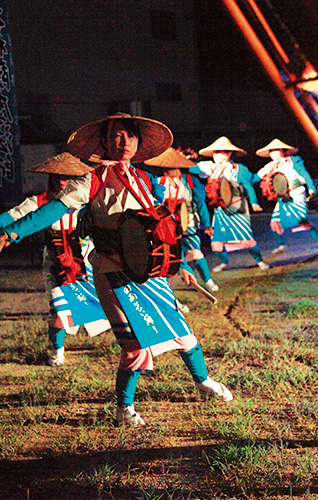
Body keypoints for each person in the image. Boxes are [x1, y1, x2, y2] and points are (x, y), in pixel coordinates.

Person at [0, 114, 233, 426]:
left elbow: (158, 231)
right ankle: (124, 409)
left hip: (147, 272)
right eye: (117, 137)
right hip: (114, 275)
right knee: (134, 346)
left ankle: (203, 382)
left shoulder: (143, 179)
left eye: (130, 137)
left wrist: (181, 266)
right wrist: (12, 232)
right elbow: (53, 210)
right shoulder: (92, 179)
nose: (124, 143)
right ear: (105, 142)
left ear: (138, 143)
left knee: (185, 336)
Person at [0, 152, 110, 366]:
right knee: (59, 309)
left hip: (86, 262)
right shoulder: (39, 201)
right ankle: (57, 351)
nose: (63, 181)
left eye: (68, 176)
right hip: (55, 262)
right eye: (59, 176)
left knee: (106, 305)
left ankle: (134, 350)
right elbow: (11, 217)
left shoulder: (86, 200)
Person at [188, 136, 270, 272]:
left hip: (238, 208)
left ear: (228, 153)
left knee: (245, 238)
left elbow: (248, 186)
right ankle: (224, 262)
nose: (216, 156)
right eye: (215, 153)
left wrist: (254, 202)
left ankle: (260, 261)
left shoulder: (238, 169)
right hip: (220, 210)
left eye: (219, 152)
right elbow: (192, 169)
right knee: (216, 241)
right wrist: (186, 159)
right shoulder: (210, 167)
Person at [144, 147, 219, 293]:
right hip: (166, 227)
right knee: (168, 256)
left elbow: (200, 203)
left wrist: (207, 224)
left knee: (196, 253)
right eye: (166, 168)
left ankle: (208, 281)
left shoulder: (190, 182)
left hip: (188, 223)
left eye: (171, 167)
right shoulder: (158, 182)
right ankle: (168, 290)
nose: (168, 170)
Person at [253, 139, 318, 255]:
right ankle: (282, 245)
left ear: (282, 151)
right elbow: (255, 178)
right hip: (283, 197)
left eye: (276, 150)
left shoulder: (293, 161)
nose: (273, 153)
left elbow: (304, 173)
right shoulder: (270, 167)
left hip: (296, 193)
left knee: (302, 220)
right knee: (275, 222)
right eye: (271, 151)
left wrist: (311, 188)